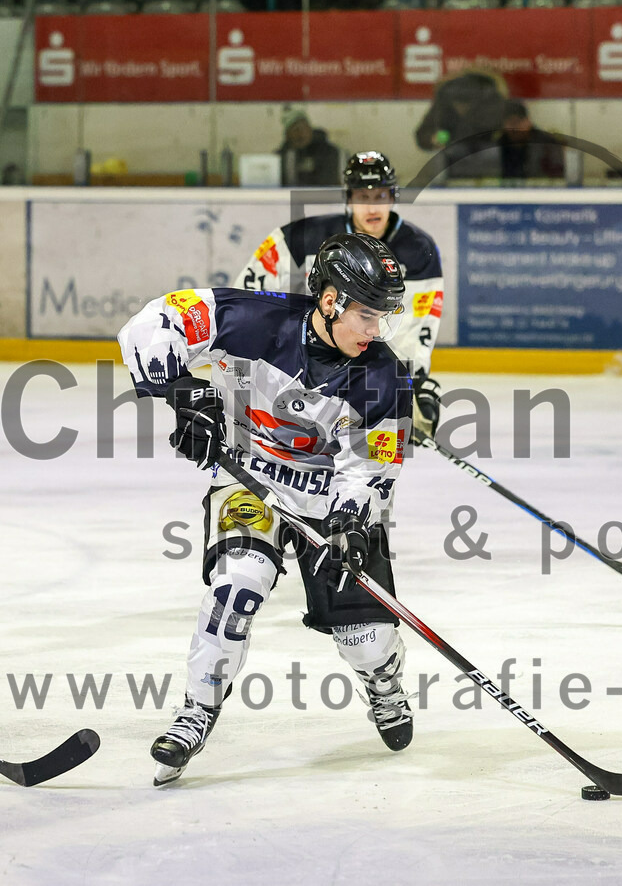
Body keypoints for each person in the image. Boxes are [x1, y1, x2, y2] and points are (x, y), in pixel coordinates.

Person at [118, 233, 416, 786]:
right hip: (248, 481)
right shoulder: (250, 320)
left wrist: (353, 522)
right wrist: (183, 391)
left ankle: (384, 679)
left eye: (383, 318)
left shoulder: (384, 376)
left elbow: (374, 464)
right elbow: (152, 323)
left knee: (367, 641)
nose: (376, 331)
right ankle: (195, 711)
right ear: (330, 302)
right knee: (237, 586)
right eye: (368, 316)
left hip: (331, 501)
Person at [234, 150, 444, 441]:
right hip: (300, 359)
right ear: (348, 198)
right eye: (363, 197)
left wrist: (413, 384)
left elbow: (418, 325)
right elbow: (247, 296)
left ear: (393, 197)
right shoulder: (299, 238)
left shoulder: (417, 249)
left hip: (363, 364)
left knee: (366, 463)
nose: (372, 207)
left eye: (380, 196)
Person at [415, 66, 508, 179]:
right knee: (442, 157)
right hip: (453, 155)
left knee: (490, 153)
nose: (460, 107)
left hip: (487, 151)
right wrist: (433, 138)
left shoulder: (492, 100)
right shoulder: (444, 103)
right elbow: (424, 133)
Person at [496, 100, 565, 180]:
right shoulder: (498, 145)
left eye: (517, 122)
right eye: (510, 123)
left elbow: (558, 179)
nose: (514, 128)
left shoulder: (548, 144)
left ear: (528, 122)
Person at [278, 106, 341, 187]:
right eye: (295, 130)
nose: (300, 134)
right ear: (287, 135)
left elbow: (326, 182)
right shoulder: (283, 154)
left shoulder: (327, 152)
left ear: (310, 130)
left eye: (304, 128)